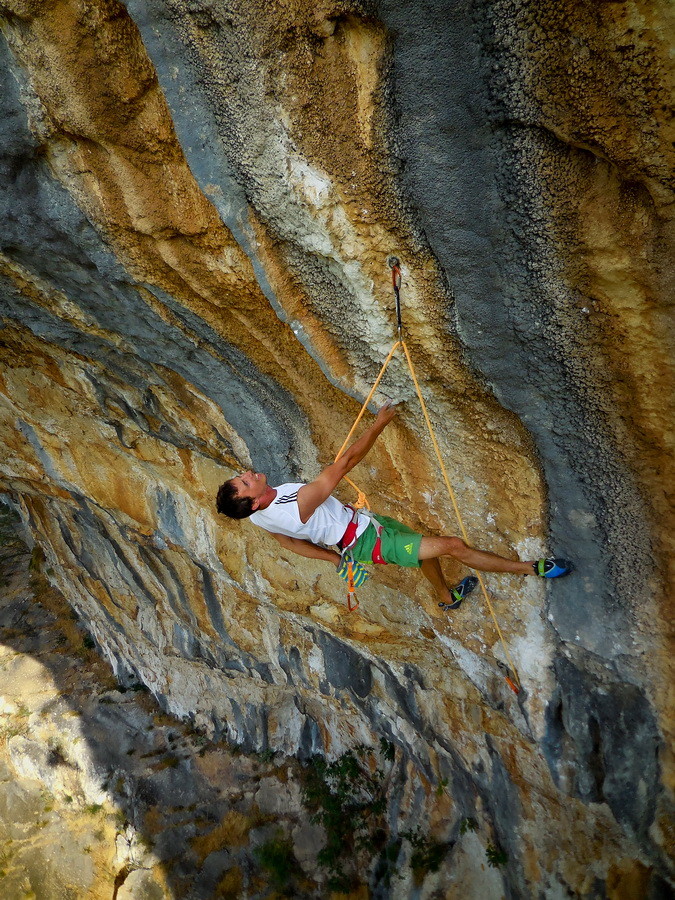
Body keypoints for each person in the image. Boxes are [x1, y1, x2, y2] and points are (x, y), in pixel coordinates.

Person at [216, 403, 573, 610]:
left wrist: (335, 560)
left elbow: (290, 543)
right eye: (245, 482)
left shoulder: (259, 518)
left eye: (241, 476)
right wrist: (379, 424)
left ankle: (446, 597)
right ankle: (530, 569)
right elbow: (346, 462)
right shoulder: (297, 505)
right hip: (370, 542)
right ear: (253, 501)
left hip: (365, 527)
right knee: (452, 546)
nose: (247, 474)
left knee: (424, 552)